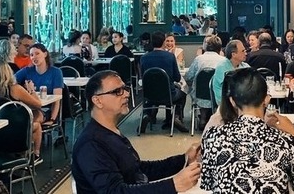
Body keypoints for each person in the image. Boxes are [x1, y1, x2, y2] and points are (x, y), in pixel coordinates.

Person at [71, 70, 201, 194]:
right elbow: (114, 191)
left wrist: (183, 159)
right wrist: (173, 185)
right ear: (97, 100)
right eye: (117, 91)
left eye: (125, 88)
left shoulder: (111, 132)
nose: (126, 94)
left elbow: (137, 170)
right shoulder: (92, 144)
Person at [200, 68, 294, 194]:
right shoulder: (288, 142)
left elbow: (208, 183)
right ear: (266, 99)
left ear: (232, 101)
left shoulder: (212, 137)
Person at [0, 59, 44, 160]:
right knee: (37, 124)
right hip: (14, 129)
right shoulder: (15, 89)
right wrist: (31, 90)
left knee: (37, 116)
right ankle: (33, 155)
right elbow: (38, 104)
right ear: (7, 71)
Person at [139, 31, 188, 133]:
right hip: (169, 94)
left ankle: (147, 114)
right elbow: (177, 78)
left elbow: (143, 77)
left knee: (151, 96)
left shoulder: (143, 58)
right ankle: (176, 117)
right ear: (163, 43)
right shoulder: (170, 57)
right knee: (182, 93)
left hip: (149, 94)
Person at [15, 44, 64, 126]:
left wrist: (52, 119)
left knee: (31, 122)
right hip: (28, 107)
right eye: (31, 55)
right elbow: (11, 80)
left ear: (45, 54)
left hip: (46, 109)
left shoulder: (56, 72)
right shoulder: (27, 71)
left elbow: (57, 99)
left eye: (37, 53)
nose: (34, 57)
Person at [184, 35, 225, 130]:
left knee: (200, 90)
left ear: (205, 47)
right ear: (219, 48)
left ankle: (203, 118)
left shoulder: (199, 59)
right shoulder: (223, 61)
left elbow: (189, 76)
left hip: (200, 94)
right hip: (217, 95)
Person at [212, 40, 249, 104]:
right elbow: (226, 92)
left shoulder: (245, 66)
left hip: (242, 102)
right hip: (225, 104)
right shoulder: (222, 68)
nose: (246, 53)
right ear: (233, 54)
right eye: (243, 51)